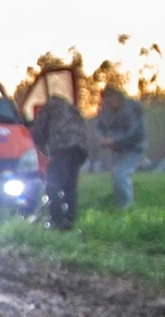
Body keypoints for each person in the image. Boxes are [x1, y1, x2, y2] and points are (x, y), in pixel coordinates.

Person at [30, 90, 90, 230]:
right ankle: (70, 220)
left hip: (62, 147)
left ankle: (57, 221)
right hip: (80, 149)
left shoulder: (48, 108)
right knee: (70, 187)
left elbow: (37, 130)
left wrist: (41, 148)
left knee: (52, 186)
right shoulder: (71, 108)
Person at [96, 86, 148, 209]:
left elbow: (134, 133)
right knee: (116, 176)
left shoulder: (132, 108)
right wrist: (102, 137)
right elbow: (99, 127)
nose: (108, 105)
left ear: (117, 97)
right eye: (105, 102)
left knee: (121, 174)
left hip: (135, 147)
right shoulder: (105, 109)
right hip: (117, 149)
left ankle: (127, 207)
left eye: (110, 100)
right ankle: (121, 204)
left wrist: (113, 140)